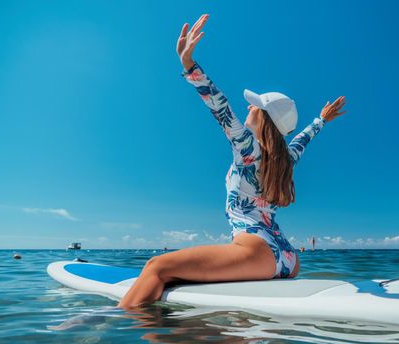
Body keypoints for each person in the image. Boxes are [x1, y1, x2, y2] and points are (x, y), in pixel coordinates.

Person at [118, 14, 346, 308]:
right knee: (175, 273)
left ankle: (101, 326)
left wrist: (188, 64)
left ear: (264, 117)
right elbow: (304, 137)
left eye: (256, 105)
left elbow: (220, 105)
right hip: (288, 257)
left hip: (255, 251)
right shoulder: (286, 160)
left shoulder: (247, 147)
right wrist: (321, 120)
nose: (249, 106)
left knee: (157, 268)